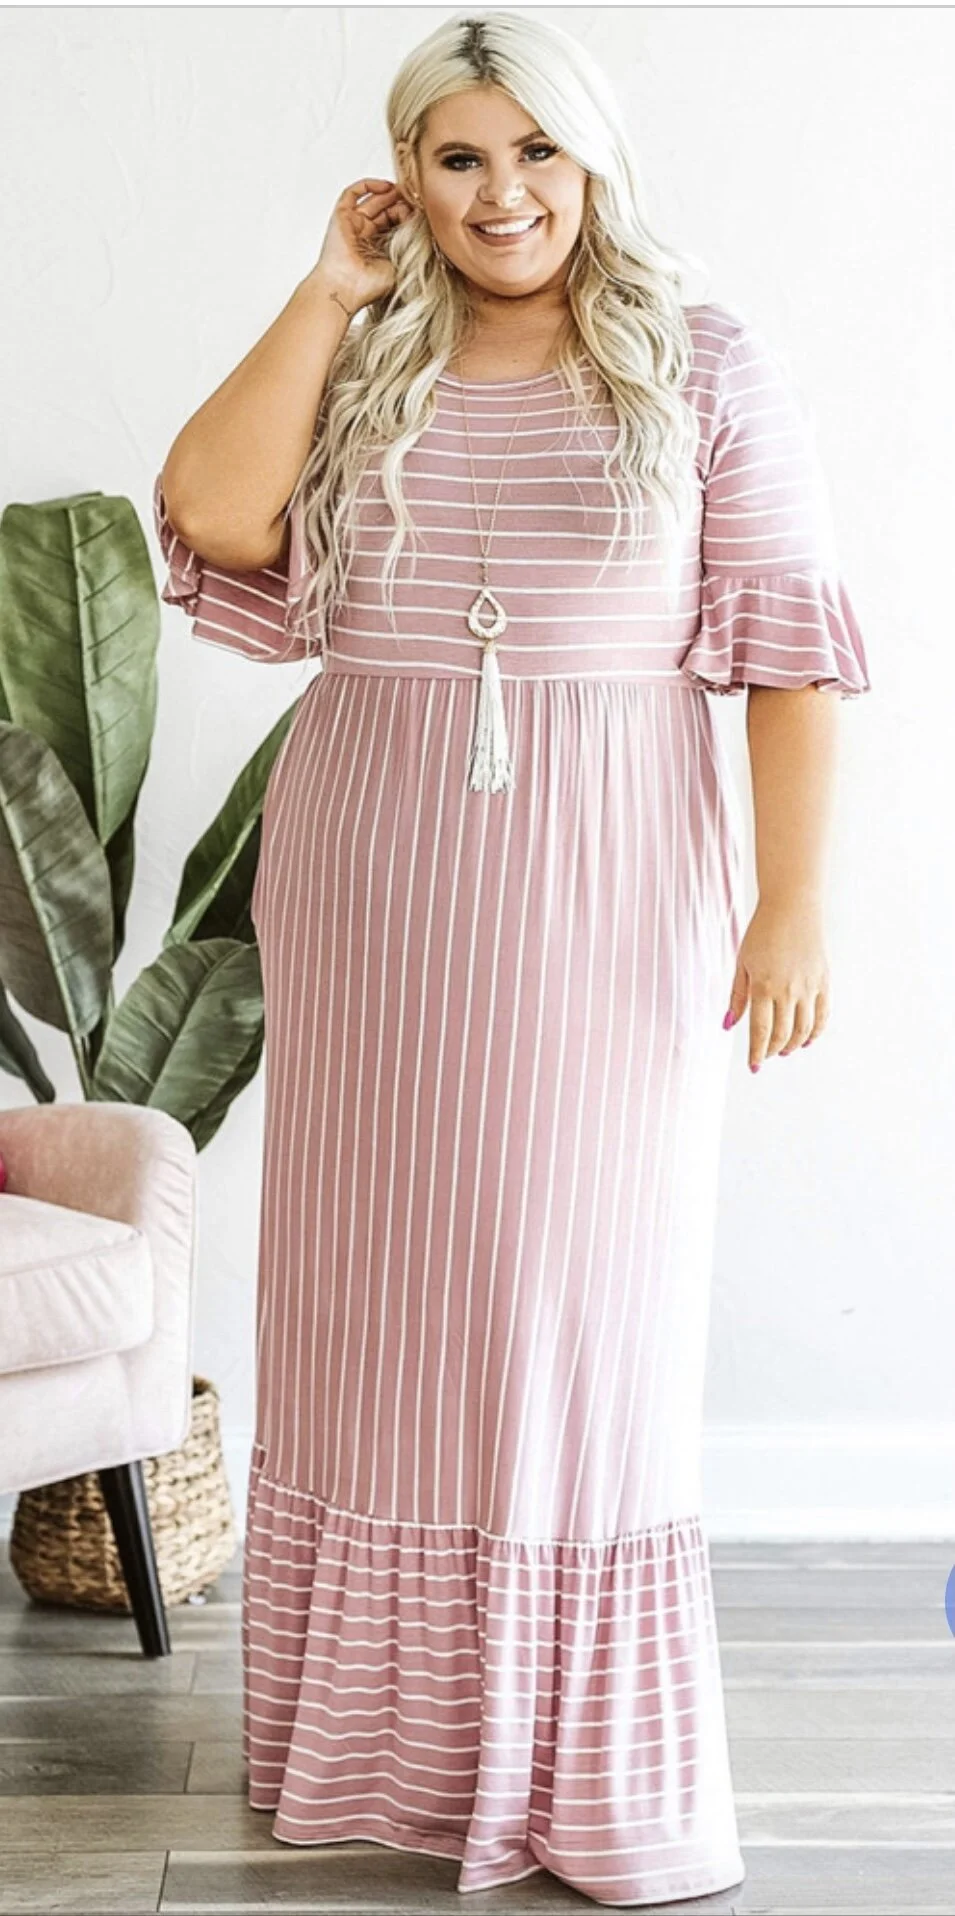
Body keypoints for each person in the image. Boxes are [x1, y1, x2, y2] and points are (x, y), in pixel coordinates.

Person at [153, 11, 870, 1906]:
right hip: (371, 883)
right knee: (370, 1308)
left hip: (609, 884)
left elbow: (789, 654)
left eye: (536, 150)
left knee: (578, 1311)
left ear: (593, 156)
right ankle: (376, 1757)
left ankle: (587, 1779)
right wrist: (329, 289)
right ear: (406, 175)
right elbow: (211, 515)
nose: (501, 194)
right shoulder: (365, 351)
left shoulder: (704, 360)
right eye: (457, 156)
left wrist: (791, 904)